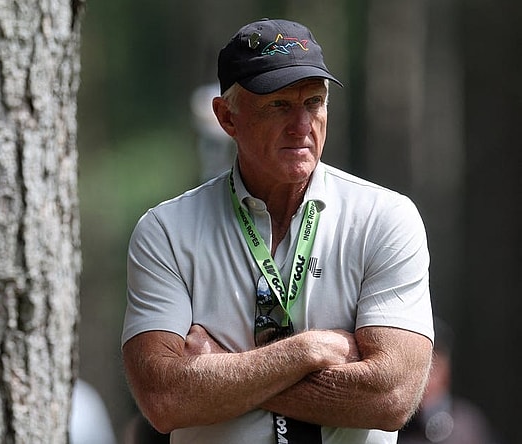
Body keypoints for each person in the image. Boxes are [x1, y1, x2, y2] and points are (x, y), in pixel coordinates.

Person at [120, 18, 434, 444]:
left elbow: (392, 397)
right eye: (279, 105)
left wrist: (223, 374)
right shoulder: (166, 231)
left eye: (314, 103)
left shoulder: (386, 217)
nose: (302, 125)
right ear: (226, 117)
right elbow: (164, 398)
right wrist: (311, 350)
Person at [398, 318, 502, 444]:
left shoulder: (468, 424)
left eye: (433, 366)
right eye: (418, 366)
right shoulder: (393, 424)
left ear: (446, 370)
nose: (426, 377)